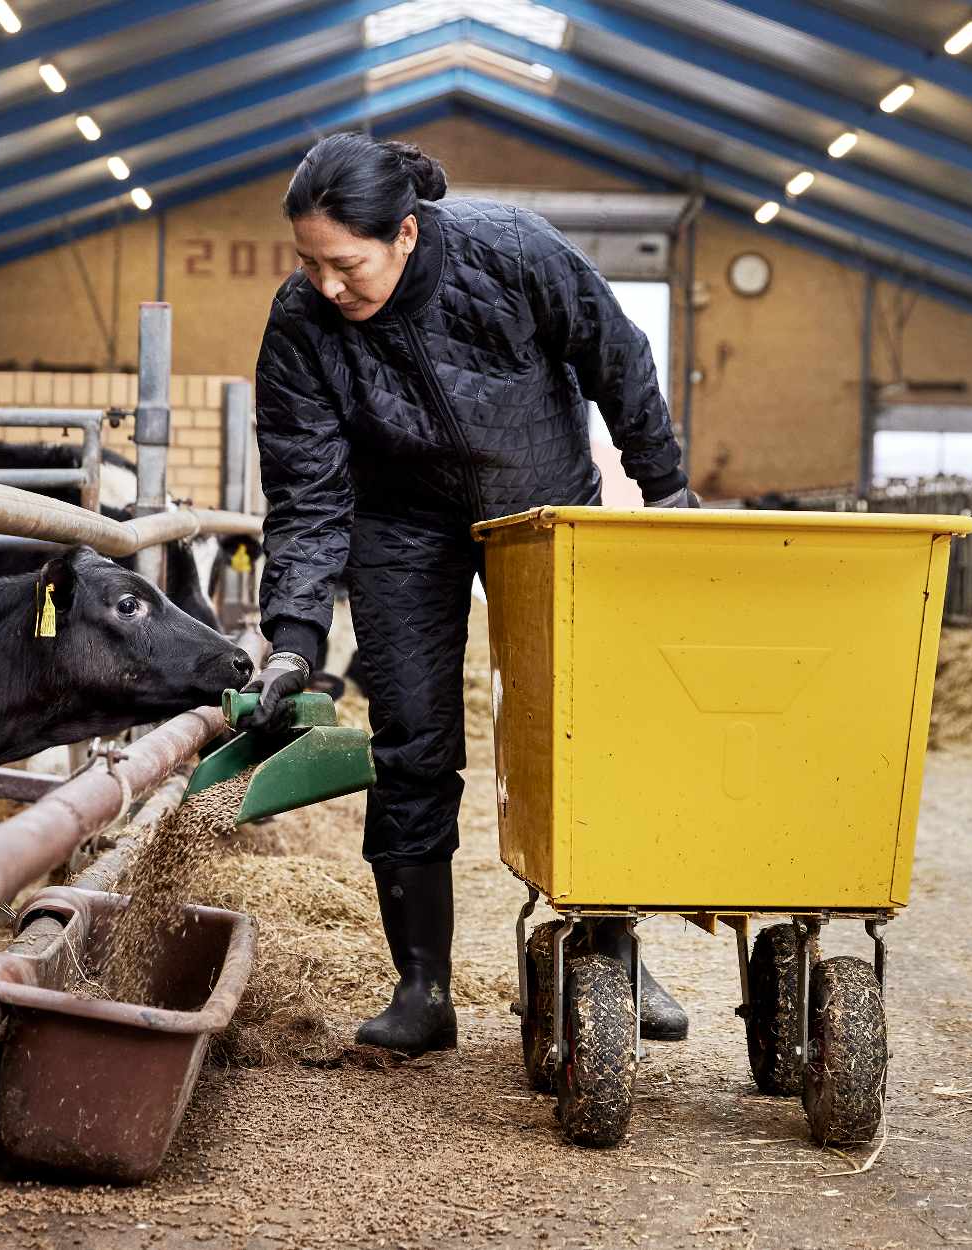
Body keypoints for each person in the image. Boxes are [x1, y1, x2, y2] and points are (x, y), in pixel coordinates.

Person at [242, 131, 697, 1056]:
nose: (326, 286)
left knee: (579, 726)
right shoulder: (301, 325)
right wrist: (293, 637)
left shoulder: (512, 250)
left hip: (542, 508)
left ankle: (613, 954)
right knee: (412, 739)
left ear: (406, 233)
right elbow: (306, 493)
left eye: (345, 264)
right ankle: (423, 989)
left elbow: (615, 354)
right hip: (401, 528)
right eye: (308, 263)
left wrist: (667, 488)